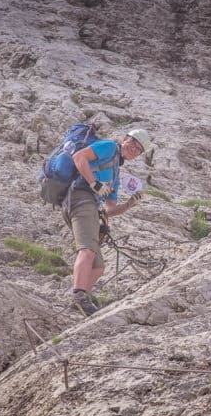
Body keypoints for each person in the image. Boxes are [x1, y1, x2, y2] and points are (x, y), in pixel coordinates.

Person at [62, 128, 151, 315]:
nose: (134, 149)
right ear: (124, 139)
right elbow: (80, 157)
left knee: (98, 266)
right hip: (80, 198)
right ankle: (78, 296)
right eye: (133, 143)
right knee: (87, 250)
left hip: (92, 206)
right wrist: (94, 182)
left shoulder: (115, 175)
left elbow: (110, 209)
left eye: (139, 149)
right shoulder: (109, 147)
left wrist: (129, 204)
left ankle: (80, 298)